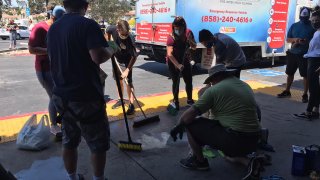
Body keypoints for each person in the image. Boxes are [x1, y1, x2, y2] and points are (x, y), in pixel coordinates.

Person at [47, 0, 117, 179]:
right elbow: (98, 56)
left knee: (69, 141)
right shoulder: (87, 25)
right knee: (97, 143)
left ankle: (72, 177)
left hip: (61, 96)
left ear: (65, 5)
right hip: (86, 97)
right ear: (85, 6)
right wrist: (111, 49)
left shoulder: (54, 28)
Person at [170, 64, 262, 179]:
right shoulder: (244, 85)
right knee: (228, 155)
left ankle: (200, 162)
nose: (211, 84)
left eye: (211, 81)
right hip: (255, 140)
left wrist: (178, 126)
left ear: (214, 79)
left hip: (236, 141)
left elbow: (188, 116)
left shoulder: (214, 90)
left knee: (191, 124)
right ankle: (249, 162)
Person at [28, 5, 66, 135]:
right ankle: (54, 125)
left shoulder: (59, 28)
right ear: (52, 17)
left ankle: (62, 120)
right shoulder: (39, 28)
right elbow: (32, 49)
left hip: (58, 69)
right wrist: (50, 51)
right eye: (57, 20)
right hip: (45, 70)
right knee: (54, 97)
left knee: (61, 95)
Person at [277, 7, 315, 103]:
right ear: (299, 16)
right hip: (293, 53)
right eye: (302, 18)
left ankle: (305, 94)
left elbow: (315, 42)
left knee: (305, 75)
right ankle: (287, 91)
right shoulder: (294, 26)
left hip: (305, 55)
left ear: (309, 17)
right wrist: (296, 40)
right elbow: (288, 39)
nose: (303, 20)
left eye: (305, 18)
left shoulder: (312, 27)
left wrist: (306, 42)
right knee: (290, 73)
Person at [107, 20, 138, 115]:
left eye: (126, 33)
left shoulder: (131, 38)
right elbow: (107, 32)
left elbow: (134, 56)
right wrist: (109, 43)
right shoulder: (112, 29)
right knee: (118, 80)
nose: (125, 36)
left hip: (127, 61)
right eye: (123, 34)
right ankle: (121, 99)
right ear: (118, 30)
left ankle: (131, 104)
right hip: (116, 59)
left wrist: (127, 70)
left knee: (128, 82)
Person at [294, 10, 320, 120]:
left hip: (315, 61)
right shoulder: (317, 32)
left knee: (313, 88)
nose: (314, 22)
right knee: (316, 87)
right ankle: (315, 110)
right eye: (313, 20)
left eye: (317, 20)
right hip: (312, 59)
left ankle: (308, 111)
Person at [166, 16, 197, 110]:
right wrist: (177, 65)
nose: (177, 30)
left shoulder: (188, 32)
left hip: (185, 60)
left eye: (179, 29)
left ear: (184, 27)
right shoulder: (171, 36)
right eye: (176, 28)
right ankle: (176, 101)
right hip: (173, 61)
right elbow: (169, 54)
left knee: (189, 81)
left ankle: (190, 100)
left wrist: (190, 41)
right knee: (176, 82)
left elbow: (194, 47)